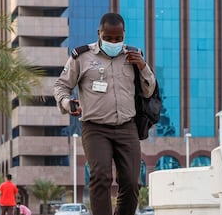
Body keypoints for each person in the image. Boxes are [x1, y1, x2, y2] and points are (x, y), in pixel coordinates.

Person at [53, 12, 156, 215]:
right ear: (99, 33)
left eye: (118, 38)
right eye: (108, 38)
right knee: (101, 176)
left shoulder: (134, 55)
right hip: (95, 128)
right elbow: (60, 85)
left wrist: (143, 67)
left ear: (124, 34)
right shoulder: (81, 56)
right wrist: (67, 103)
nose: (113, 42)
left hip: (127, 127)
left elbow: (149, 90)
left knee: (132, 181)